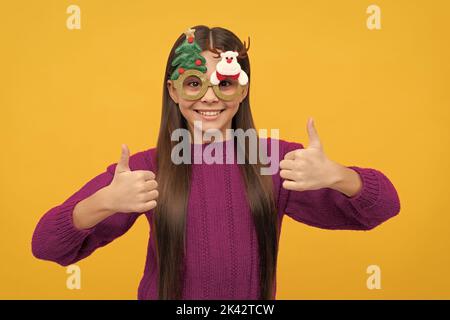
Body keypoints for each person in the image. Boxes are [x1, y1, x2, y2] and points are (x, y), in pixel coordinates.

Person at [31, 25, 401, 300]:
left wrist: (339, 176)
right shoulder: (145, 169)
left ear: (243, 89)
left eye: (224, 83)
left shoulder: (272, 162)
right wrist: (103, 203)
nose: (209, 97)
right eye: (194, 83)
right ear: (173, 90)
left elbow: (383, 207)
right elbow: (47, 245)